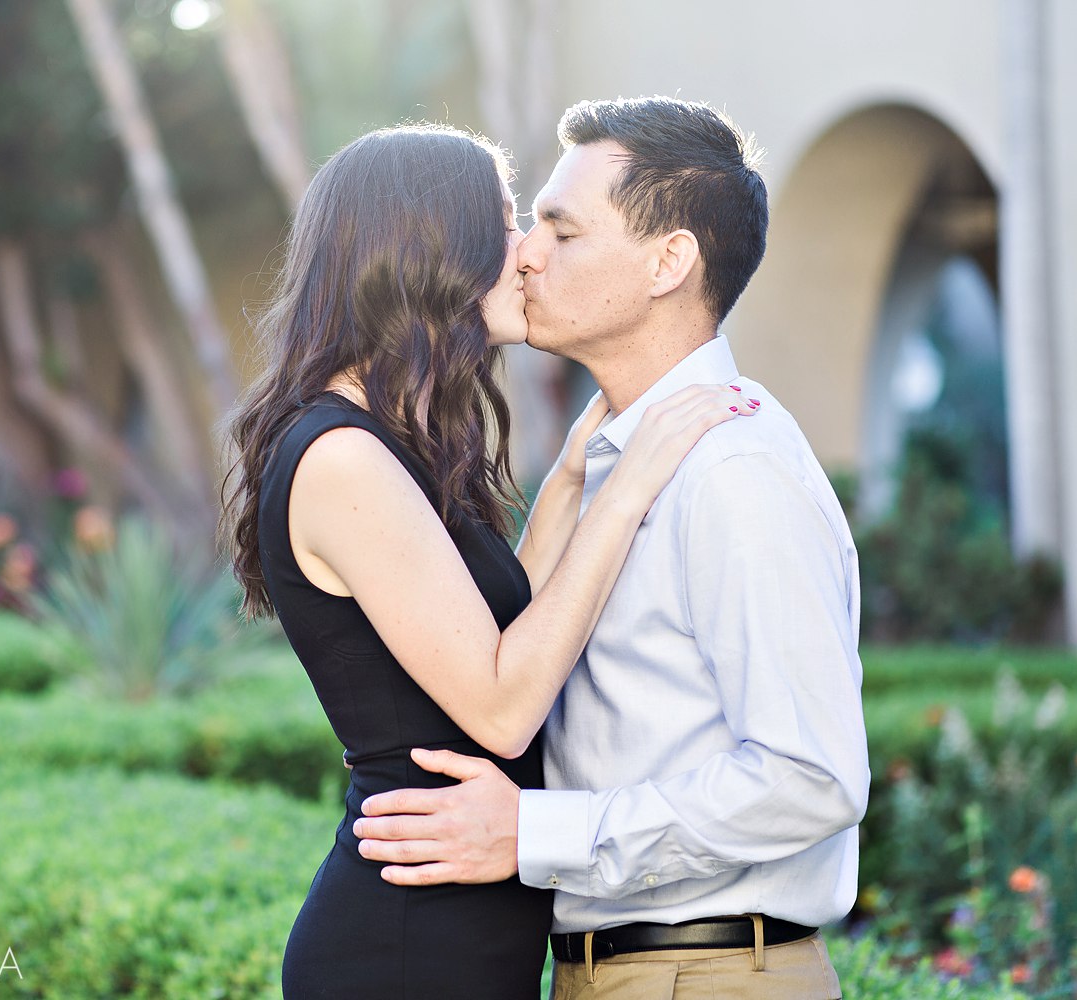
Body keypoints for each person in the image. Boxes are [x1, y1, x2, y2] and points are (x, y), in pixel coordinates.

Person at [221, 122, 756, 999]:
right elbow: (504, 709)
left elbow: (510, 624)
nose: (530, 253)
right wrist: (623, 499)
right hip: (405, 949)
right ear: (431, 246)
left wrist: (582, 468)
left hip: (458, 934)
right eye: (507, 225)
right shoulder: (342, 457)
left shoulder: (391, 441)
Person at [354, 98, 870, 1000]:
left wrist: (536, 834)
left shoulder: (732, 469)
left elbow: (811, 776)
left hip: (707, 976)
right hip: (613, 972)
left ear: (671, 260)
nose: (525, 252)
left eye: (562, 229)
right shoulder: (611, 456)